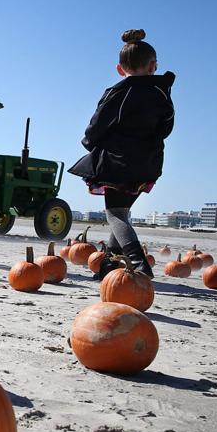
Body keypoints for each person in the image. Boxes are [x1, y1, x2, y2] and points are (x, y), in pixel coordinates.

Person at [72, 30, 175, 280]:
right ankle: (109, 266)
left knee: (115, 214)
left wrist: (89, 143)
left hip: (117, 163)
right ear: (153, 66)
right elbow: (167, 128)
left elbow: (97, 124)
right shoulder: (162, 94)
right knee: (122, 212)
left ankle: (139, 264)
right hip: (148, 164)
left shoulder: (120, 92)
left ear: (120, 69)